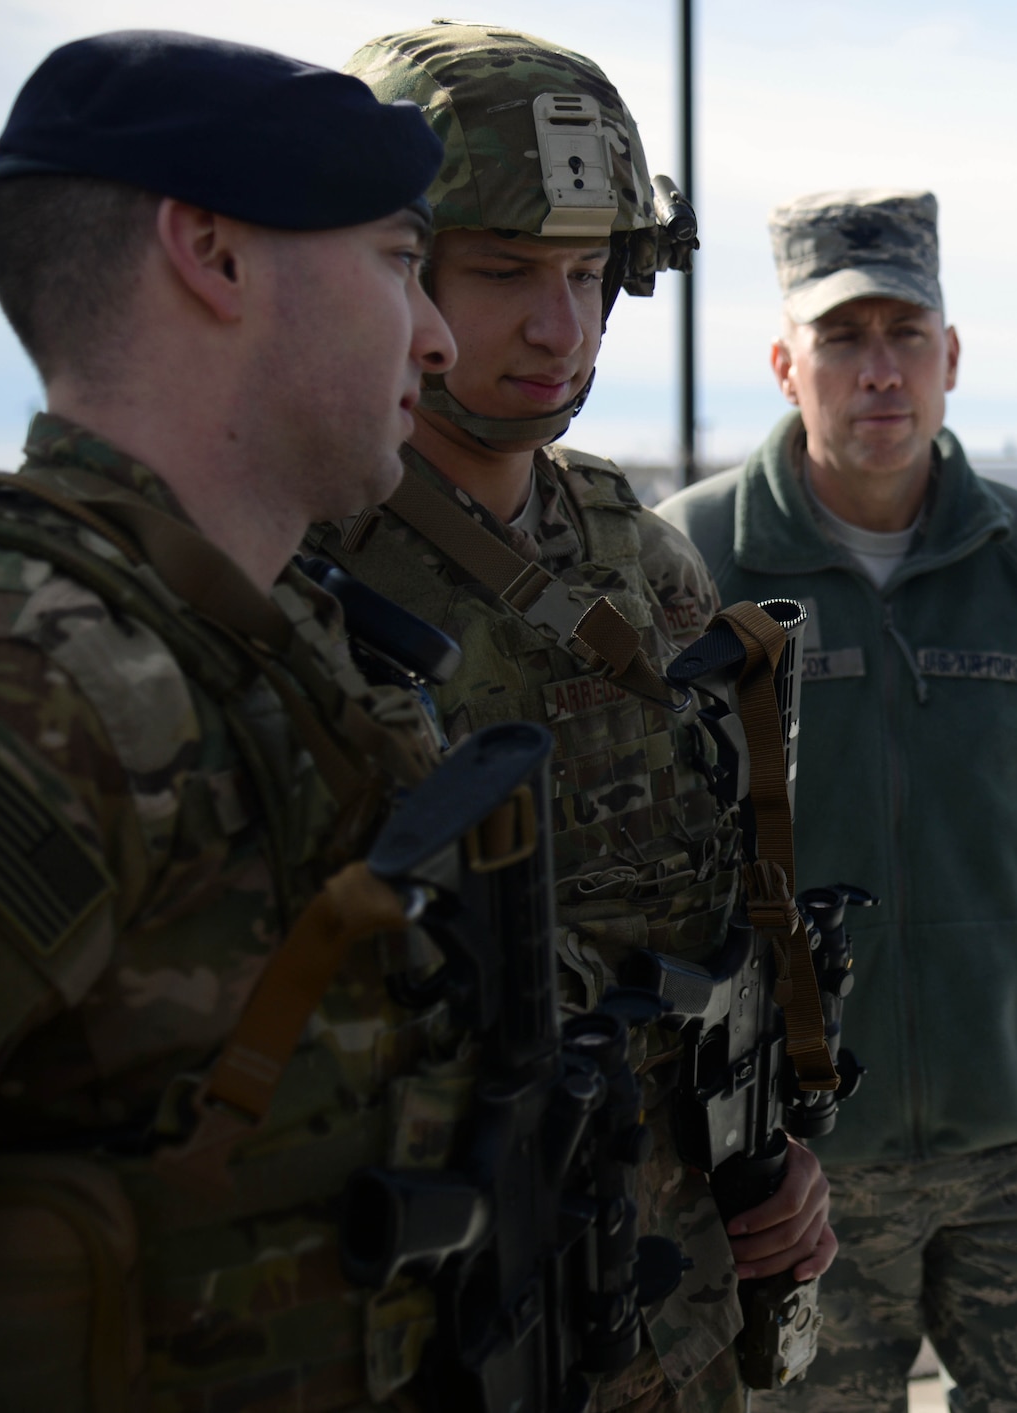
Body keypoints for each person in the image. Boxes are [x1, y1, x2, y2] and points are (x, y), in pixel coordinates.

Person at [304, 24, 833, 1413]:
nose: (564, 326)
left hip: (677, 1301)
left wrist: (771, 1161)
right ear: (391, 267)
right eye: (505, 273)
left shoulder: (635, 553)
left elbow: (712, 911)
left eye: (592, 274)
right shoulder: (300, 556)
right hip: (443, 1313)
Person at [0, 29, 462, 1409]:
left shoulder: (275, 636)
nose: (439, 335)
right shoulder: (28, 670)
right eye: (398, 259)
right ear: (216, 256)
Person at [659, 188, 1017, 1412]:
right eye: (842, 339)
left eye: (905, 335)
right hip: (796, 1158)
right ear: (782, 364)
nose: (878, 372)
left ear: (950, 358)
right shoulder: (689, 563)